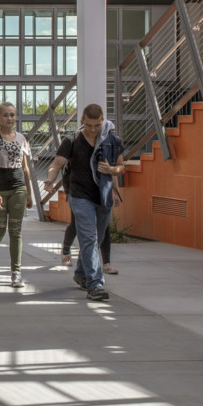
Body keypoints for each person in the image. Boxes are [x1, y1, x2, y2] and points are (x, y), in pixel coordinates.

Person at [42, 104, 128, 302]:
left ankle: (81, 274)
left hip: (103, 195)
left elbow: (121, 166)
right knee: (89, 239)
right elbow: (56, 164)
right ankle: (95, 284)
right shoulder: (71, 140)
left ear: (103, 120)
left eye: (97, 125)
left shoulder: (112, 141)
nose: (93, 130)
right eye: (89, 125)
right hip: (79, 195)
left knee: (95, 239)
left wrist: (112, 171)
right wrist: (50, 179)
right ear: (82, 121)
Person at [0, 102, 32, 288]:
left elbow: (25, 168)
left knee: (15, 231)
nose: (9, 118)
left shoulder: (21, 139)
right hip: (0, 189)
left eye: (12, 114)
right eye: (5, 115)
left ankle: (16, 272)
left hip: (18, 187)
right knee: (0, 229)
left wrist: (29, 194)